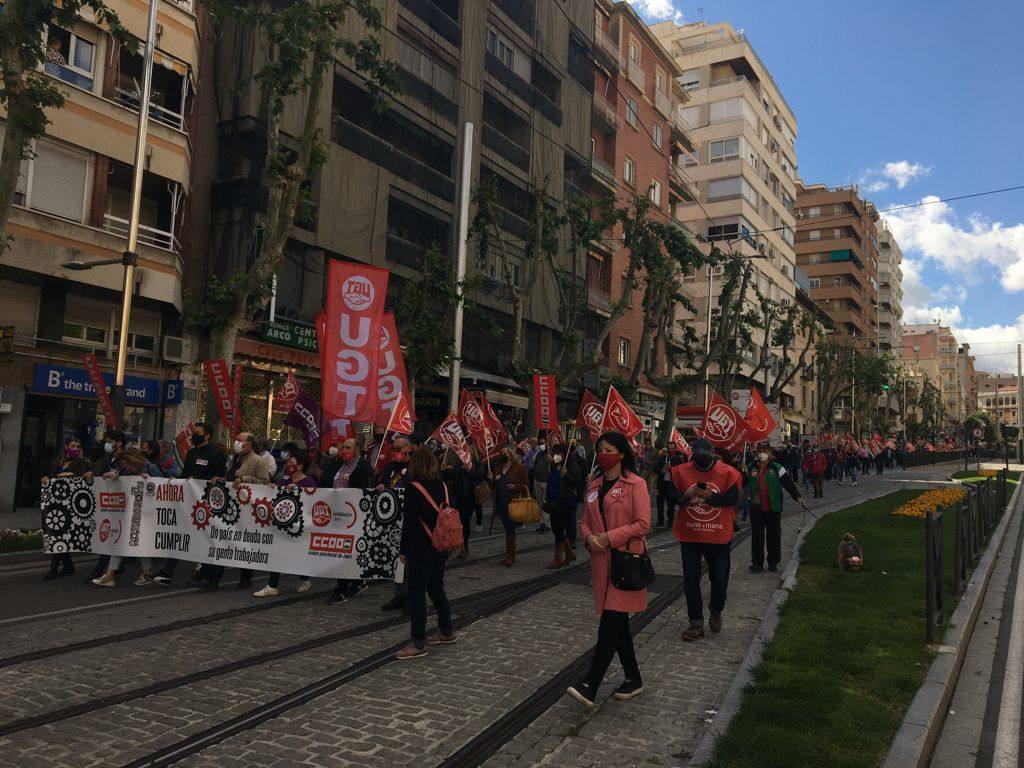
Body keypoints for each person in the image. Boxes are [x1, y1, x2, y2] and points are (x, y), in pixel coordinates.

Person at [566, 432, 650, 709]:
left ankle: (591, 684)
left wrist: (609, 537)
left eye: (609, 449)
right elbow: (586, 521)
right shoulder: (594, 485)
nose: (603, 453)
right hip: (602, 564)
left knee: (610, 623)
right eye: (600, 449)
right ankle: (634, 678)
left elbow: (642, 524)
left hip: (625, 563)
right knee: (619, 624)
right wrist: (589, 537)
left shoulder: (636, 484)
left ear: (622, 453)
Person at [671, 438, 742, 641]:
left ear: (711, 453)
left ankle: (716, 608)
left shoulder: (728, 473)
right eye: (696, 452)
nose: (700, 456)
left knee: (719, 579)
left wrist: (711, 497)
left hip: (718, 535)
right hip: (690, 534)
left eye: (704, 452)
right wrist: (684, 495)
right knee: (690, 579)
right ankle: (695, 623)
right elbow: (668, 493)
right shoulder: (680, 471)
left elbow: (732, 499)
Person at [395, 447, 456, 660]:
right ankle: (446, 630)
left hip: (421, 547)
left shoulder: (414, 488)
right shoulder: (443, 486)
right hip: (441, 546)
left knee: (417, 593)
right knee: (437, 588)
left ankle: (418, 642)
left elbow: (409, 522)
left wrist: (403, 550)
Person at [150, 422, 226, 586]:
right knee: (179, 535)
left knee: (204, 538)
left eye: (197, 432)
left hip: (205, 505)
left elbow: (220, 477)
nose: (194, 436)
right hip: (188, 502)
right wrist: (174, 481)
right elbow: (185, 474)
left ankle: (203, 572)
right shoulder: (191, 452)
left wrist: (201, 481)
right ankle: (167, 572)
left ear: (207, 435)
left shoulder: (215, 453)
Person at [92, 449, 163, 586]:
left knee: (138, 541)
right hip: (128, 510)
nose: (127, 469)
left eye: (127, 466)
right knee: (123, 540)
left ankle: (114, 575)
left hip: (146, 512)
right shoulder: (126, 470)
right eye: (124, 467)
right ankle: (112, 574)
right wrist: (113, 476)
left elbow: (162, 484)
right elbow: (117, 475)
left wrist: (150, 481)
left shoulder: (150, 467)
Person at [254, 454, 315, 597]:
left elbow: (312, 501)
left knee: (299, 553)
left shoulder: (309, 482)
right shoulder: (285, 479)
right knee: (277, 552)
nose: (288, 465)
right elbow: (277, 495)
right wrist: (273, 488)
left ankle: (304, 580)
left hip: (299, 526)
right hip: (283, 524)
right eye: (287, 463)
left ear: (300, 466)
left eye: (291, 462)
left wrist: (299, 491)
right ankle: (272, 585)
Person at [328, 435, 375, 605]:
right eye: (343, 448)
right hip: (339, 515)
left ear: (356, 450)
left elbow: (366, 492)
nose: (344, 450)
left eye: (348, 448)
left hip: (353, 517)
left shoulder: (363, 467)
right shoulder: (341, 465)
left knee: (345, 551)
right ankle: (356, 582)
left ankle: (340, 590)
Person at [746, 445, 806, 573]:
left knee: (774, 536)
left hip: (773, 508)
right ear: (757, 453)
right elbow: (743, 482)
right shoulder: (751, 467)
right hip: (756, 508)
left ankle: (773, 562)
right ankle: (757, 562)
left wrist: (798, 497)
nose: (762, 454)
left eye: (765, 451)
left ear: (770, 453)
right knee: (757, 536)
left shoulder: (778, 468)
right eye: (760, 451)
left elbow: (788, 484)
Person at [41, 436, 91, 580]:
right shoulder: (58, 461)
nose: (75, 449)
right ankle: (68, 565)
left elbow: (84, 480)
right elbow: (51, 476)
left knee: (60, 536)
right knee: (58, 535)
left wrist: (72, 475)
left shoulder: (81, 462)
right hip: (55, 503)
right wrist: (46, 479)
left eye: (77, 446)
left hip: (70, 505)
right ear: (66, 446)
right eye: (73, 446)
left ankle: (53, 569)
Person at [544, 446, 579, 569]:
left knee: (558, 530)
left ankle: (557, 559)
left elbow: (577, 483)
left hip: (566, 503)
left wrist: (566, 475)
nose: (555, 455)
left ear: (564, 455)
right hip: (554, 502)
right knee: (557, 529)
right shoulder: (554, 466)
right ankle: (569, 554)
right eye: (555, 453)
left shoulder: (572, 466)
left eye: (558, 453)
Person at [532, 441, 550, 532]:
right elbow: (533, 459)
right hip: (537, 480)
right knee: (540, 502)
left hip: (546, 481)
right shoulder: (539, 453)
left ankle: (546, 523)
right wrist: (540, 450)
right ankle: (542, 522)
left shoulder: (551, 454)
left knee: (545, 501)